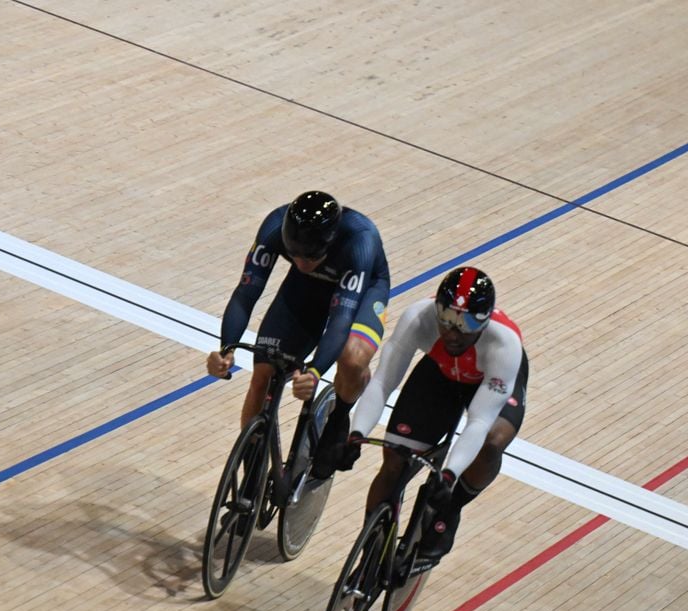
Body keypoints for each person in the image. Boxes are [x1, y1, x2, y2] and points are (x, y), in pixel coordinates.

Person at [340, 266, 528, 568]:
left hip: (487, 380)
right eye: (446, 320)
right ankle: (371, 552)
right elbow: (383, 382)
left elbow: (479, 420)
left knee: (491, 441)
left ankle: (451, 508)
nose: (452, 333)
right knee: (394, 461)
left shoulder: (503, 345)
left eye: (464, 324)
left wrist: (450, 474)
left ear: (484, 321)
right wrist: (356, 433)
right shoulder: (418, 317)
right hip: (441, 374)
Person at [205, 191, 391, 479]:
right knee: (262, 375)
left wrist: (315, 371)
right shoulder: (274, 226)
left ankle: (339, 418)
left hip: (363, 291)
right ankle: (250, 478)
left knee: (352, 359)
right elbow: (246, 294)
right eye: (294, 255)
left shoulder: (360, 240)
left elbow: (340, 320)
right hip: (307, 287)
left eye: (310, 256)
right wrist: (226, 347)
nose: (302, 261)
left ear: (327, 243)